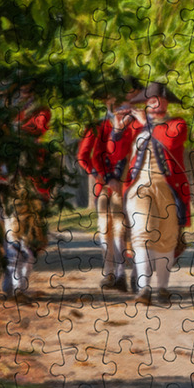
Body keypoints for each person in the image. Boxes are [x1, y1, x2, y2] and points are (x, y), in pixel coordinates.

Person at [116, 81, 192, 308]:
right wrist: (118, 130)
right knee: (141, 231)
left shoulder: (178, 123)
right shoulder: (135, 127)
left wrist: (146, 123)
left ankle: (162, 287)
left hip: (168, 188)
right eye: (150, 100)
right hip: (138, 187)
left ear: (167, 102)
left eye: (158, 99)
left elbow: (168, 140)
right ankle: (143, 287)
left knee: (166, 239)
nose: (154, 103)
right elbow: (116, 153)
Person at [76, 78, 141, 292]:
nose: (112, 102)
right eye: (108, 99)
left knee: (134, 230)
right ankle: (112, 273)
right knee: (108, 229)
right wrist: (102, 177)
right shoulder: (97, 125)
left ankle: (135, 274)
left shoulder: (138, 122)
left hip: (134, 182)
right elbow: (84, 157)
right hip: (106, 185)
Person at [0, 83, 52, 304]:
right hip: (8, 184)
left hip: (33, 186)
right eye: (21, 89)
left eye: (28, 89)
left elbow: (39, 128)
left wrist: (15, 128)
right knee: (11, 235)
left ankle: (21, 285)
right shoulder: (4, 113)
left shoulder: (41, 111)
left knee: (32, 241)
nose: (23, 92)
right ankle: (12, 285)